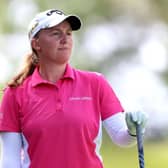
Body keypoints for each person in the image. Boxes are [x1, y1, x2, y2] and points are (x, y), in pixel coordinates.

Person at [0, 9, 148, 168]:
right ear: (36, 44)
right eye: (56, 33)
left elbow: (121, 137)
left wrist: (134, 130)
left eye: (69, 33)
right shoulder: (15, 93)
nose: (65, 39)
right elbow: (10, 160)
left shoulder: (95, 83)